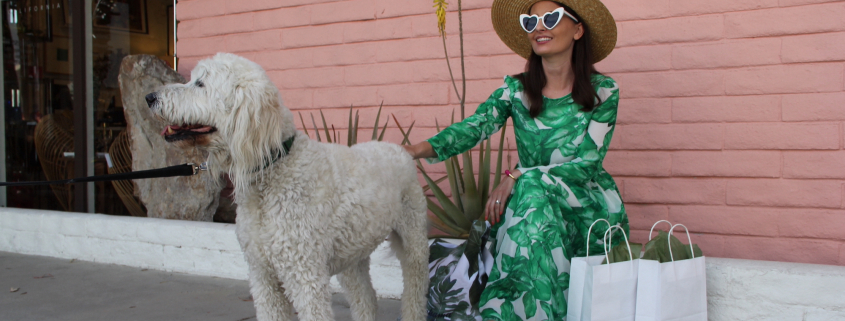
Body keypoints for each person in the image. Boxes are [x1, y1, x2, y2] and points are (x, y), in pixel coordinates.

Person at [402, 0, 627, 319]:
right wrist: (414, 150)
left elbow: (586, 164)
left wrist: (518, 175)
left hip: (586, 204)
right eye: (530, 21)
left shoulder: (604, 91)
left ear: (577, 30)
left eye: (550, 17)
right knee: (533, 197)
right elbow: (475, 126)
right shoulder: (516, 91)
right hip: (533, 204)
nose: (539, 27)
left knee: (531, 190)